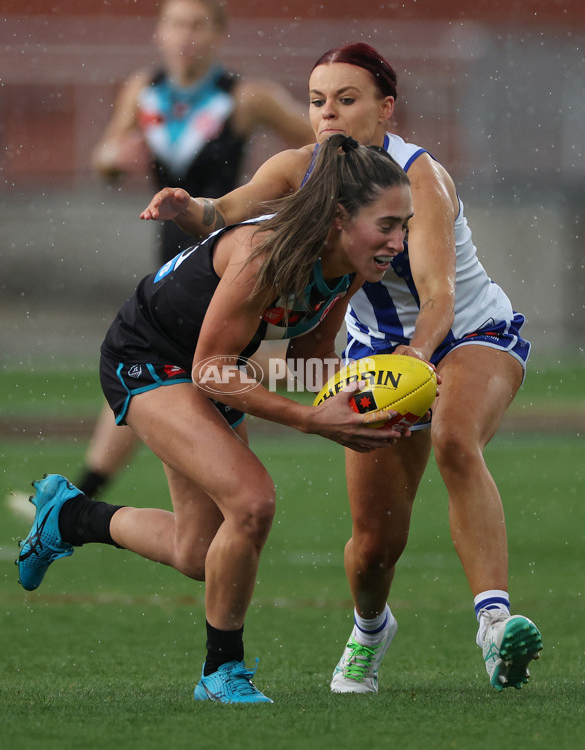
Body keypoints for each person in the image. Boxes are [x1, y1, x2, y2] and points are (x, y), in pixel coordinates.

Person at [139, 42, 543, 694]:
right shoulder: (300, 167)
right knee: (374, 543)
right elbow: (223, 213)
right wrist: (188, 209)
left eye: (346, 100)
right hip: (373, 350)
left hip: (468, 332)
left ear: (385, 109)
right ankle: (370, 627)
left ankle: (494, 627)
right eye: (317, 101)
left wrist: (418, 356)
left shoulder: (420, 180)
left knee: (452, 437)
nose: (328, 114)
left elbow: (438, 296)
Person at [16, 135, 414, 705]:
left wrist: (375, 387)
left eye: (406, 225)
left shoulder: (345, 270)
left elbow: (310, 367)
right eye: (388, 225)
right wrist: (310, 423)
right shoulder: (264, 256)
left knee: (200, 554)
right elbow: (210, 372)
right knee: (253, 503)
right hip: (147, 359)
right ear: (339, 218)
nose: (399, 243)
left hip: (208, 366)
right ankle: (221, 673)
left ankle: (71, 516)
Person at [78, 0, 315, 502]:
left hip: (227, 250)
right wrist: (111, 159)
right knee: (162, 366)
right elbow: (105, 156)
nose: (185, 34)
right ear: (159, 32)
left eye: (197, 23)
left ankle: (84, 496)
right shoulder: (144, 91)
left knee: (170, 365)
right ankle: (86, 496)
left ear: (217, 35)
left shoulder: (249, 97)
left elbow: (321, 148)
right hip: (169, 255)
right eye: (175, 22)